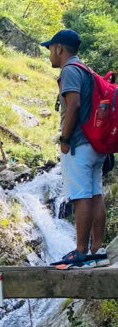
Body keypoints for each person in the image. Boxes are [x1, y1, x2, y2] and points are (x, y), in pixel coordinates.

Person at [42, 29, 109, 268]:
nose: (49, 53)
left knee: (81, 196)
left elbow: (74, 105)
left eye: (50, 48)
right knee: (95, 193)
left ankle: (80, 252)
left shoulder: (69, 70)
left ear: (59, 48)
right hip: (96, 143)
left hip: (79, 143)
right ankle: (97, 250)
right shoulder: (87, 70)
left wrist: (65, 138)